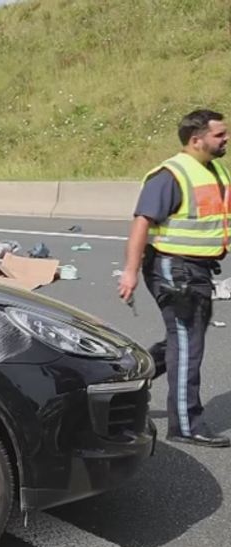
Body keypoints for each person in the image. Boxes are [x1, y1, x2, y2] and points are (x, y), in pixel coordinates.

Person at [118, 109, 231, 447]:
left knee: (184, 337)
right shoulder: (170, 175)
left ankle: (127, 376)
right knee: (187, 345)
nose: (225, 139)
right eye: (219, 135)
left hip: (198, 270)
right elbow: (142, 223)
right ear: (196, 140)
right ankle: (186, 423)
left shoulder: (214, 170)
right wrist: (130, 271)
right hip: (175, 270)